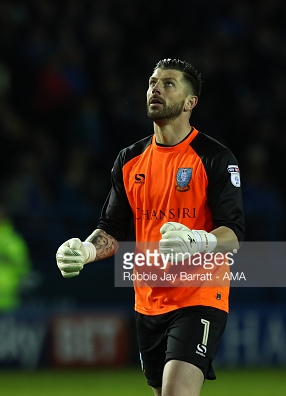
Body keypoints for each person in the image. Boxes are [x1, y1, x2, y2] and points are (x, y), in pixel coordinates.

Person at [56, 59, 245, 396]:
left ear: (190, 103)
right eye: (152, 82)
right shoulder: (129, 160)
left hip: (199, 296)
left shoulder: (215, 158)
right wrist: (85, 250)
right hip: (148, 301)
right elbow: (111, 229)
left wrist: (198, 240)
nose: (156, 88)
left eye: (168, 83)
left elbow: (233, 235)